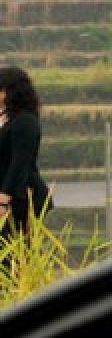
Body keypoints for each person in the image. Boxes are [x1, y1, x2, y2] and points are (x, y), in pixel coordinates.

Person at [0, 66, 52, 238]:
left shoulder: (25, 121)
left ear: (11, 92)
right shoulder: (6, 118)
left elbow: (19, 163)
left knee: (13, 252)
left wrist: (4, 198)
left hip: (20, 197)